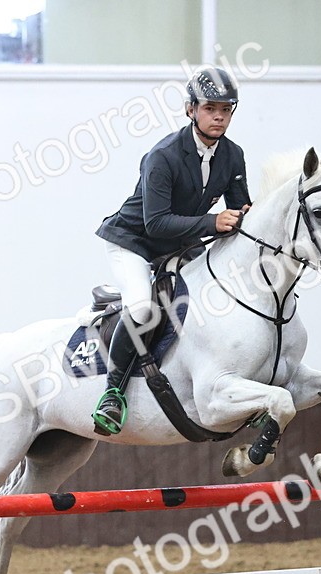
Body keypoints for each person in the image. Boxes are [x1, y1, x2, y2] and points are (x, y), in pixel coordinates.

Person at [91, 66, 253, 436]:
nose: (218, 116)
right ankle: (113, 392)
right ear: (190, 109)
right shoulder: (162, 156)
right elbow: (156, 224)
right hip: (134, 242)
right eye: (210, 108)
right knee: (143, 307)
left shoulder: (232, 155)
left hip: (180, 245)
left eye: (226, 109)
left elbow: (240, 211)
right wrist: (213, 223)